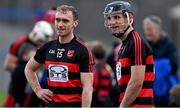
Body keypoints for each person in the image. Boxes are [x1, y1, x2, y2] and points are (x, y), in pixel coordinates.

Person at [25, 5, 94, 107]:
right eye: (58, 20)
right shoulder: (47, 47)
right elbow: (29, 68)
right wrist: (38, 90)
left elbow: (87, 88)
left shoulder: (82, 50)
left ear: (75, 23)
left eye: (65, 21)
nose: (60, 24)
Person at [103, 1, 155, 107]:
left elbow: (136, 82)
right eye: (109, 18)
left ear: (129, 17)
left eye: (117, 17)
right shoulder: (125, 44)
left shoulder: (136, 42)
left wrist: (122, 106)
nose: (112, 22)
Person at [3, 21, 54, 107]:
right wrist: (27, 71)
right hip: (20, 85)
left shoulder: (44, 44)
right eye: (40, 41)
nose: (41, 44)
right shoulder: (19, 43)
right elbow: (7, 65)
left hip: (34, 87)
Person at [143, 15, 179, 106]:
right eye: (146, 30)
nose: (148, 33)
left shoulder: (169, 44)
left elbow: (175, 65)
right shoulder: (144, 45)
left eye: (150, 29)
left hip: (167, 92)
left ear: (158, 29)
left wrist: (157, 66)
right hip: (149, 92)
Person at [88, 41, 114, 107]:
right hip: (108, 100)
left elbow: (93, 87)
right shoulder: (107, 66)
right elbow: (113, 83)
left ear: (92, 54)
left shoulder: (95, 69)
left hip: (98, 102)